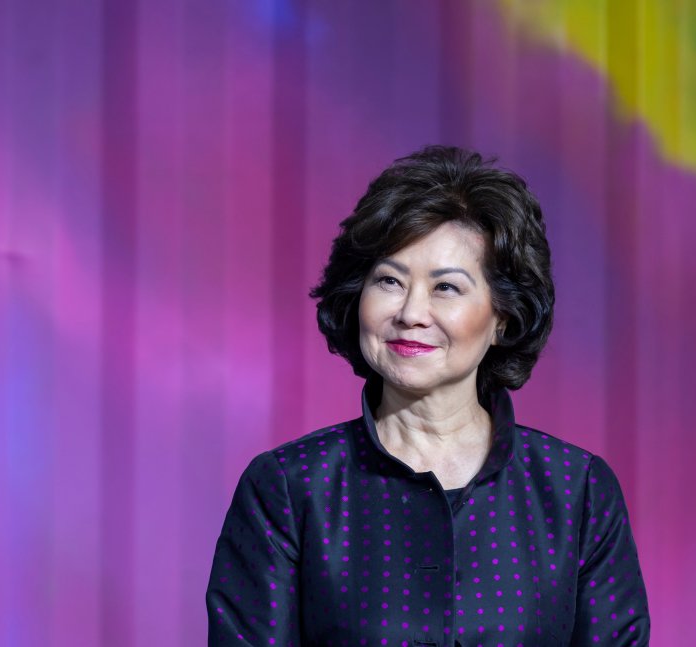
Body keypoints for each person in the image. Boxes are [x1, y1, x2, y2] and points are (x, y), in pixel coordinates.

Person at [206, 146, 650, 645]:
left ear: (503, 317)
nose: (411, 312)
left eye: (446, 288)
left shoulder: (576, 491)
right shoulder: (290, 488)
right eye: (390, 281)